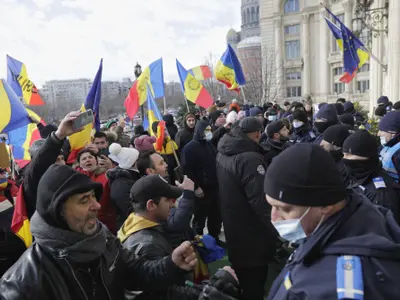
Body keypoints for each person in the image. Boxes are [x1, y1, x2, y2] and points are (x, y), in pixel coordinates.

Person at [0, 165, 200, 300]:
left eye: (93, 197)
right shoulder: (21, 283)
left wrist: (170, 264)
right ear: (57, 211)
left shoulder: (103, 238)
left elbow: (136, 271)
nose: (96, 205)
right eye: (84, 200)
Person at [265, 144, 400, 300]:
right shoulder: (351, 218)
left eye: (285, 209)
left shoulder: (340, 288)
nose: (273, 217)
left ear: (325, 205)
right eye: (271, 206)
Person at [118, 175, 239, 299]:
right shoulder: (148, 245)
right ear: (151, 205)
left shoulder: (133, 224)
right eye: (168, 200)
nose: (173, 204)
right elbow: (169, 292)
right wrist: (219, 281)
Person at [217, 117, 279, 300]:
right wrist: (277, 230)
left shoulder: (223, 151)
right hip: (252, 234)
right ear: (258, 133)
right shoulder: (250, 159)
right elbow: (261, 202)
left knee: (243, 279)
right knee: (254, 285)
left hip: (233, 227)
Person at [342, 130, 400, 222]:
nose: (345, 159)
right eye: (344, 154)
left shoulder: (381, 194)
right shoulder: (358, 176)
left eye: (350, 155)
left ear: (366, 156)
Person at [181, 120, 222, 245]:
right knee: (200, 217)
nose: (209, 133)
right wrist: (196, 187)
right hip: (201, 190)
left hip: (214, 187)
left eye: (210, 130)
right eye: (206, 131)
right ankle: (198, 241)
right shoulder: (189, 148)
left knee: (215, 216)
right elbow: (187, 170)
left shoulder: (209, 145)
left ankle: (214, 238)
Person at [76, 148, 117, 233]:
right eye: (84, 159)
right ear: (80, 164)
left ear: (96, 161)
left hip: (107, 222)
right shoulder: (75, 181)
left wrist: (112, 169)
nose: (88, 160)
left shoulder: (107, 176)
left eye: (90, 157)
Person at [107, 143, 141, 229]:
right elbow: (131, 211)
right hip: (133, 226)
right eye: (138, 159)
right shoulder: (120, 185)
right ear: (133, 163)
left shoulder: (131, 177)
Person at [378, 111, 400, 182]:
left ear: (393, 132)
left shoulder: (398, 154)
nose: (378, 134)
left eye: (382, 130)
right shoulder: (388, 144)